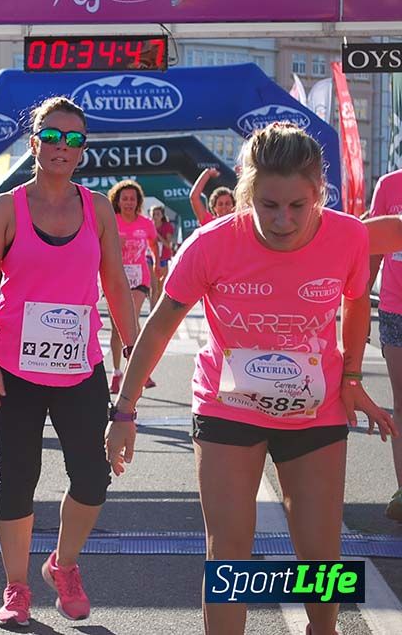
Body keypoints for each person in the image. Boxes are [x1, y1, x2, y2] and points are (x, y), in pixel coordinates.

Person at [114, 123, 397, 635]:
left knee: (320, 553)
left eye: (298, 205)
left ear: (319, 193)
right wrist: (124, 410)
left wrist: (353, 374)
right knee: (229, 552)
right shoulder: (211, 244)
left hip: (314, 408)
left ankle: (322, 630)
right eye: (268, 205)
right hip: (227, 407)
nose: (283, 220)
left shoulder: (348, 236)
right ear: (247, 193)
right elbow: (159, 325)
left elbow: (357, 300)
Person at [0, 96, 140, 627]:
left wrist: (135, 350)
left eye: (74, 139)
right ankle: (16, 587)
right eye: (52, 136)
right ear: (34, 141)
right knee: (18, 476)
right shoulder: (6, 208)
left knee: (92, 477)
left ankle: (63, 566)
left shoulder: (98, 209)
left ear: (82, 150)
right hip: (13, 368)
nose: (62, 146)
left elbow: (116, 284)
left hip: (78, 368)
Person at [365, 168, 402, 522]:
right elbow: (374, 250)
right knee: (401, 402)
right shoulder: (390, 185)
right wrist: (360, 301)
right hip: (396, 307)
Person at [107, 180, 159, 393]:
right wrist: (112, 244)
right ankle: (117, 372)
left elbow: (154, 244)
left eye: (132, 199)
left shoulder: (146, 223)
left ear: (138, 202)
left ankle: (138, 371)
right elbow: (97, 247)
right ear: (117, 201)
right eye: (125, 199)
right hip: (115, 279)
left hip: (139, 279)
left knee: (131, 317)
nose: (129, 202)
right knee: (116, 327)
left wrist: (157, 265)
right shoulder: (111, 221)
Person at [151, 205, 175, 305]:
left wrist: (157, 234)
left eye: (158, 214)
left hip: (163, 258)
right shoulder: (149, 225)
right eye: (153, 214)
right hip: (151, 258)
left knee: (161, 288)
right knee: (154, 288)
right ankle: (152, 310)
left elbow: (168, 245)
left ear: (162, 216)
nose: (155, 217)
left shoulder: (167, 226)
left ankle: (159, 308)